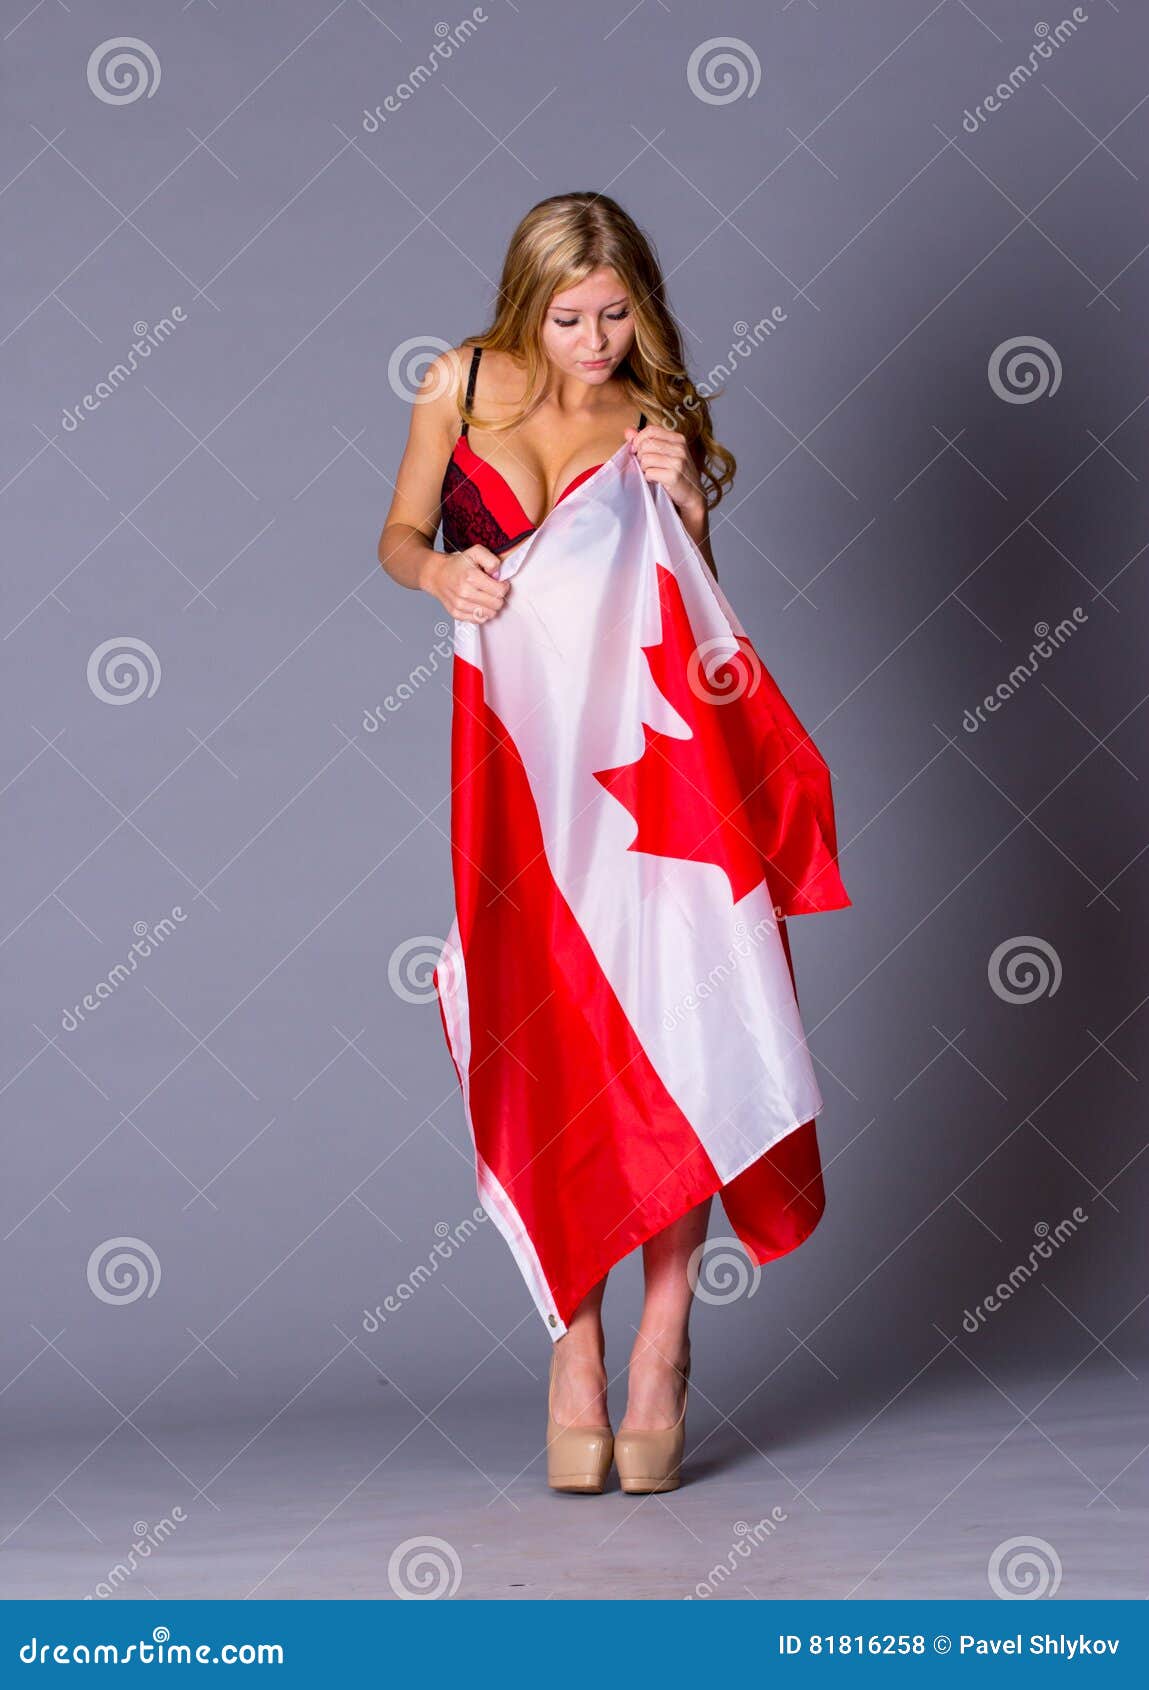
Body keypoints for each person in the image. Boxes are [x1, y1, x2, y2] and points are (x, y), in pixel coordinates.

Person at [379, 191, 838, 1495]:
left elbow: (686, 609)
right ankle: (568, 1341)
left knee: (671, 1021)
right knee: (537, 1022)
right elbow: (399, 532)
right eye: (571, 316)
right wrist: (437, 578)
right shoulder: (458, 380)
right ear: (527, 303)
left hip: (643, 779)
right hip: (518, 773)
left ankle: (661, 1346)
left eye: (618, 312)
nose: (596, 340)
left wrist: (687, 507)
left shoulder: (653, 420)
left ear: (643, 298)